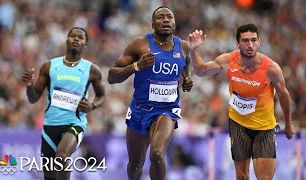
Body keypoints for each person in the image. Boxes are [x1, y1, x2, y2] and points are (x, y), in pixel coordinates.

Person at [188, 24, 295, 180]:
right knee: (241, 176)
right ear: (237, 44)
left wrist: (289, 123)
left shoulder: (271, 68)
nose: (250, 45)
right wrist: (193, 50)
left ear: (259, 42)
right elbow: (201, 71)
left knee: (264, 178)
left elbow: (284, 95)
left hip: (264, 128)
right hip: (238, 124)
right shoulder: (227, 60)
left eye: (253, 40)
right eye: (245, 41)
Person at [107, 6, 193, 180]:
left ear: (175, 23)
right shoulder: (139, 44)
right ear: (153, 24)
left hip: (167, 110)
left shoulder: (183, 47)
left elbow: (187, 62)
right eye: (160, 17)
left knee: (157, 154)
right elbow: (111, 76)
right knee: (135, 166)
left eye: (169, 17)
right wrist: (137, 66)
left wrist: (187, 78)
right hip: (140, 109)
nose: (166, 20)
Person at [22, 27, 106, 180]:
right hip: (50, 125)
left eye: (80, 38)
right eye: (72, 36)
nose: (76, 39)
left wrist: (91, 106)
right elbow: (33, 98)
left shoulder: (92, 70)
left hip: (75, 123)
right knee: (49, 174)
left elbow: (102, 96)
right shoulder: (49, 67)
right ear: (67, 40)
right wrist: (29, 86)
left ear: (85, 44)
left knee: (61, 156)